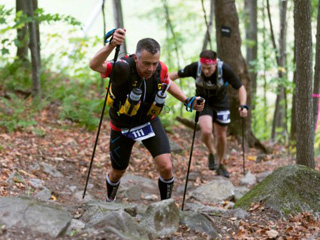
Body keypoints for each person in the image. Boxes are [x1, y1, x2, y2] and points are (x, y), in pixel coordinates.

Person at [89, 28, 205, 202]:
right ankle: (109, 201)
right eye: (146, 63)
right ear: (136, 57)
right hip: (122, 126)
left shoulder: (160, 69)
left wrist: (186, 100)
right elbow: (95, 65)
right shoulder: (122, 68)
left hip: (148, 121)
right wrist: (111, 45)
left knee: (166, 166)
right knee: (117, 172)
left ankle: (165, 206)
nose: (151, 68)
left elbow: (167, 81)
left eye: (154, 63)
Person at [169, 50, 248, 178]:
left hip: (221, 104)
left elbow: (240, 87)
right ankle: (212, 152)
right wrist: (160, 80)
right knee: (206, 131)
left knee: (221, 135)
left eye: (209, 68)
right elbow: (176, 75)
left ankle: (220, 164)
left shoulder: (224, 69)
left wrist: (243, 105)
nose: (206, 71)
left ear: (215, 64)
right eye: (204, 68)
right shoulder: (195, 67)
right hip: (204, 103)